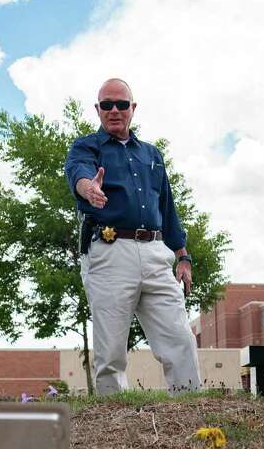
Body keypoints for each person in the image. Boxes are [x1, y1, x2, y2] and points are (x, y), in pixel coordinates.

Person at [65, 78, 201, 395]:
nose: (115, 110)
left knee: (180, 337)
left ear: (132, 108)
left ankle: (192, 410)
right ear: (98, 109)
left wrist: (183, 256)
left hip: (156, 252)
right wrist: (90, 188)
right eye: (107, 105)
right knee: (111, 349)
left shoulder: (152, 154)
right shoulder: (86, 147)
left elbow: (167, 207)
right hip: (110, 252)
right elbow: (79, 173)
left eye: (121, 104)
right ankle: (112, 426)